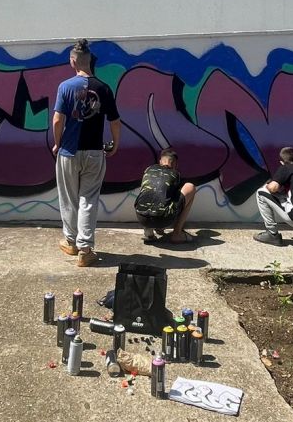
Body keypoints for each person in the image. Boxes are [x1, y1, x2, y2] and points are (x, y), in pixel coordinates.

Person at [52, 39, 121, 267]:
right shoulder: (104, 87)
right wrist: (115, 144)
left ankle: (71, 242)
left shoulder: (65, 86)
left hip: (68, 152)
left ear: (73, 61)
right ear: (90, 61)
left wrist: (57, 142)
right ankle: (85, 250)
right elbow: (115, 122)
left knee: (69, 199)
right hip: (94, 152)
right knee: (88, 200)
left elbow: (57, 120)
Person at [134, 147, 195, 245]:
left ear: (160, 161)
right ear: (175, 164)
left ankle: (148, 231)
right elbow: (172, 199)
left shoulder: (148, 169)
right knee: (190, 187)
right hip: (163, 219)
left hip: (141, 217)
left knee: (149, 191)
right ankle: (177, 234)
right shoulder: (175, 174)